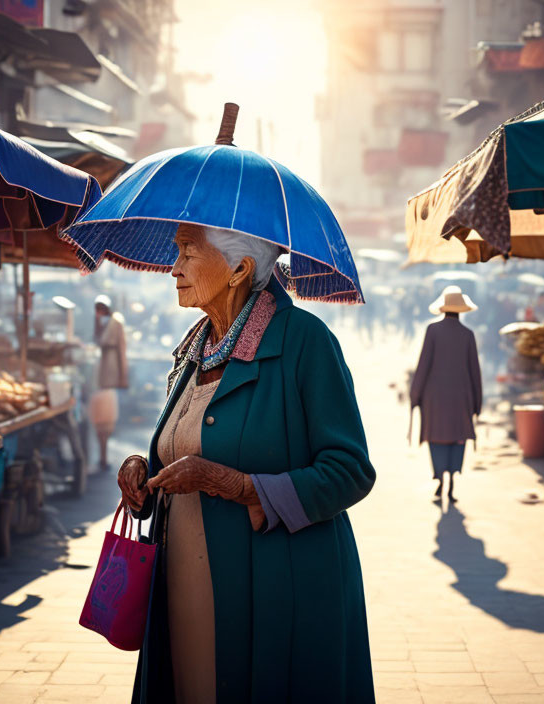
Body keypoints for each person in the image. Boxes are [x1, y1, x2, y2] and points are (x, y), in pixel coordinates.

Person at [116, 223, 375, 704]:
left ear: (239, 269)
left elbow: (350, 471)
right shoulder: (196, 347)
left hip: (276, 594)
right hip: (184, 588)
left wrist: (236, 486)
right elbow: (185, 441)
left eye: (188, 253)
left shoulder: (305, 342)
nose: (174, 269)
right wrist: (142, 470)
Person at [410, 286, 482, 502]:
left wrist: (415, 395)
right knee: (457, 439)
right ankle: (451, 484)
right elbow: (475, 372)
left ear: (443, 308)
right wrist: (477, 403)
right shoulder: (468, 335)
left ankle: (440, 479)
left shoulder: (432, 330)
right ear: (461, 310)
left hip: (435, 399)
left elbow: (423, 365)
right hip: (461, 399)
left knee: (437, 438)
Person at [88, 294, 128, 472]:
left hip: (110, 378)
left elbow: (122, 350)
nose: (99, 313)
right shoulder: (100, 325)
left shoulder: (115, 323)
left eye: (101, 309)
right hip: (98, 380)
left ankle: (104, 455)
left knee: (107, 421)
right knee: (99, 422)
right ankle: (102, 456)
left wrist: (122, 377)